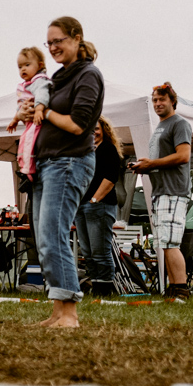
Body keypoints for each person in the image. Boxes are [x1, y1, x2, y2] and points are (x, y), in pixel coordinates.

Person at [31, 16, 105, 328]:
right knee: (46, 236)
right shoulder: (61, 77)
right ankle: (58, 311)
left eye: (58, 40)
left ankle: (70, 314)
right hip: (50, 163)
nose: (53, 48)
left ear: (76, 37)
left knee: (54, 235)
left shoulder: (88, 75)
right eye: (49, 43)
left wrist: (45, 112)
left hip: (69, 162)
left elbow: (77, 125)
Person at [129, 82, 193, 297]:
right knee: (164, 242)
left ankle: (181, 289)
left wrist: (152, 164)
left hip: (173, 191)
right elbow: (161, 162)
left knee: (171, 242)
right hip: (160, 190)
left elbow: (183, 156)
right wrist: (144, 167)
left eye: (162, 99)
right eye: (155, 100)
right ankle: (174, 289)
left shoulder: (179, 124)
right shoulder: (161, 127)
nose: (157, 103)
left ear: (172, 101)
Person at [76, 115, 126, 297]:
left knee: (100, 251)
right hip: (81, 207)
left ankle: (104, 291)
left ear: (104, 130)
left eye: (96, 128)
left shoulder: (108, 149)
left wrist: (94, 200)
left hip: (100, 206)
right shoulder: (85, 152)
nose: (93, 132)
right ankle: (96, 288)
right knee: (88, 253)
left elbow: (110, 179)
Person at [6, 47, 52, 181]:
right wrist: (15, 119)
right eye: (20, 67)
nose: (23, 69)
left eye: (27, 65)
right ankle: (24, 167)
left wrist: (38, 110)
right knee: (23, 142)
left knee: (29, 142)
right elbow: (20, 105)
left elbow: (42, 95)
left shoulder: (39, 80)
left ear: (40, 65)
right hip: (28, 121)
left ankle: (28, 169)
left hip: (36, 119)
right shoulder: (26, 84)